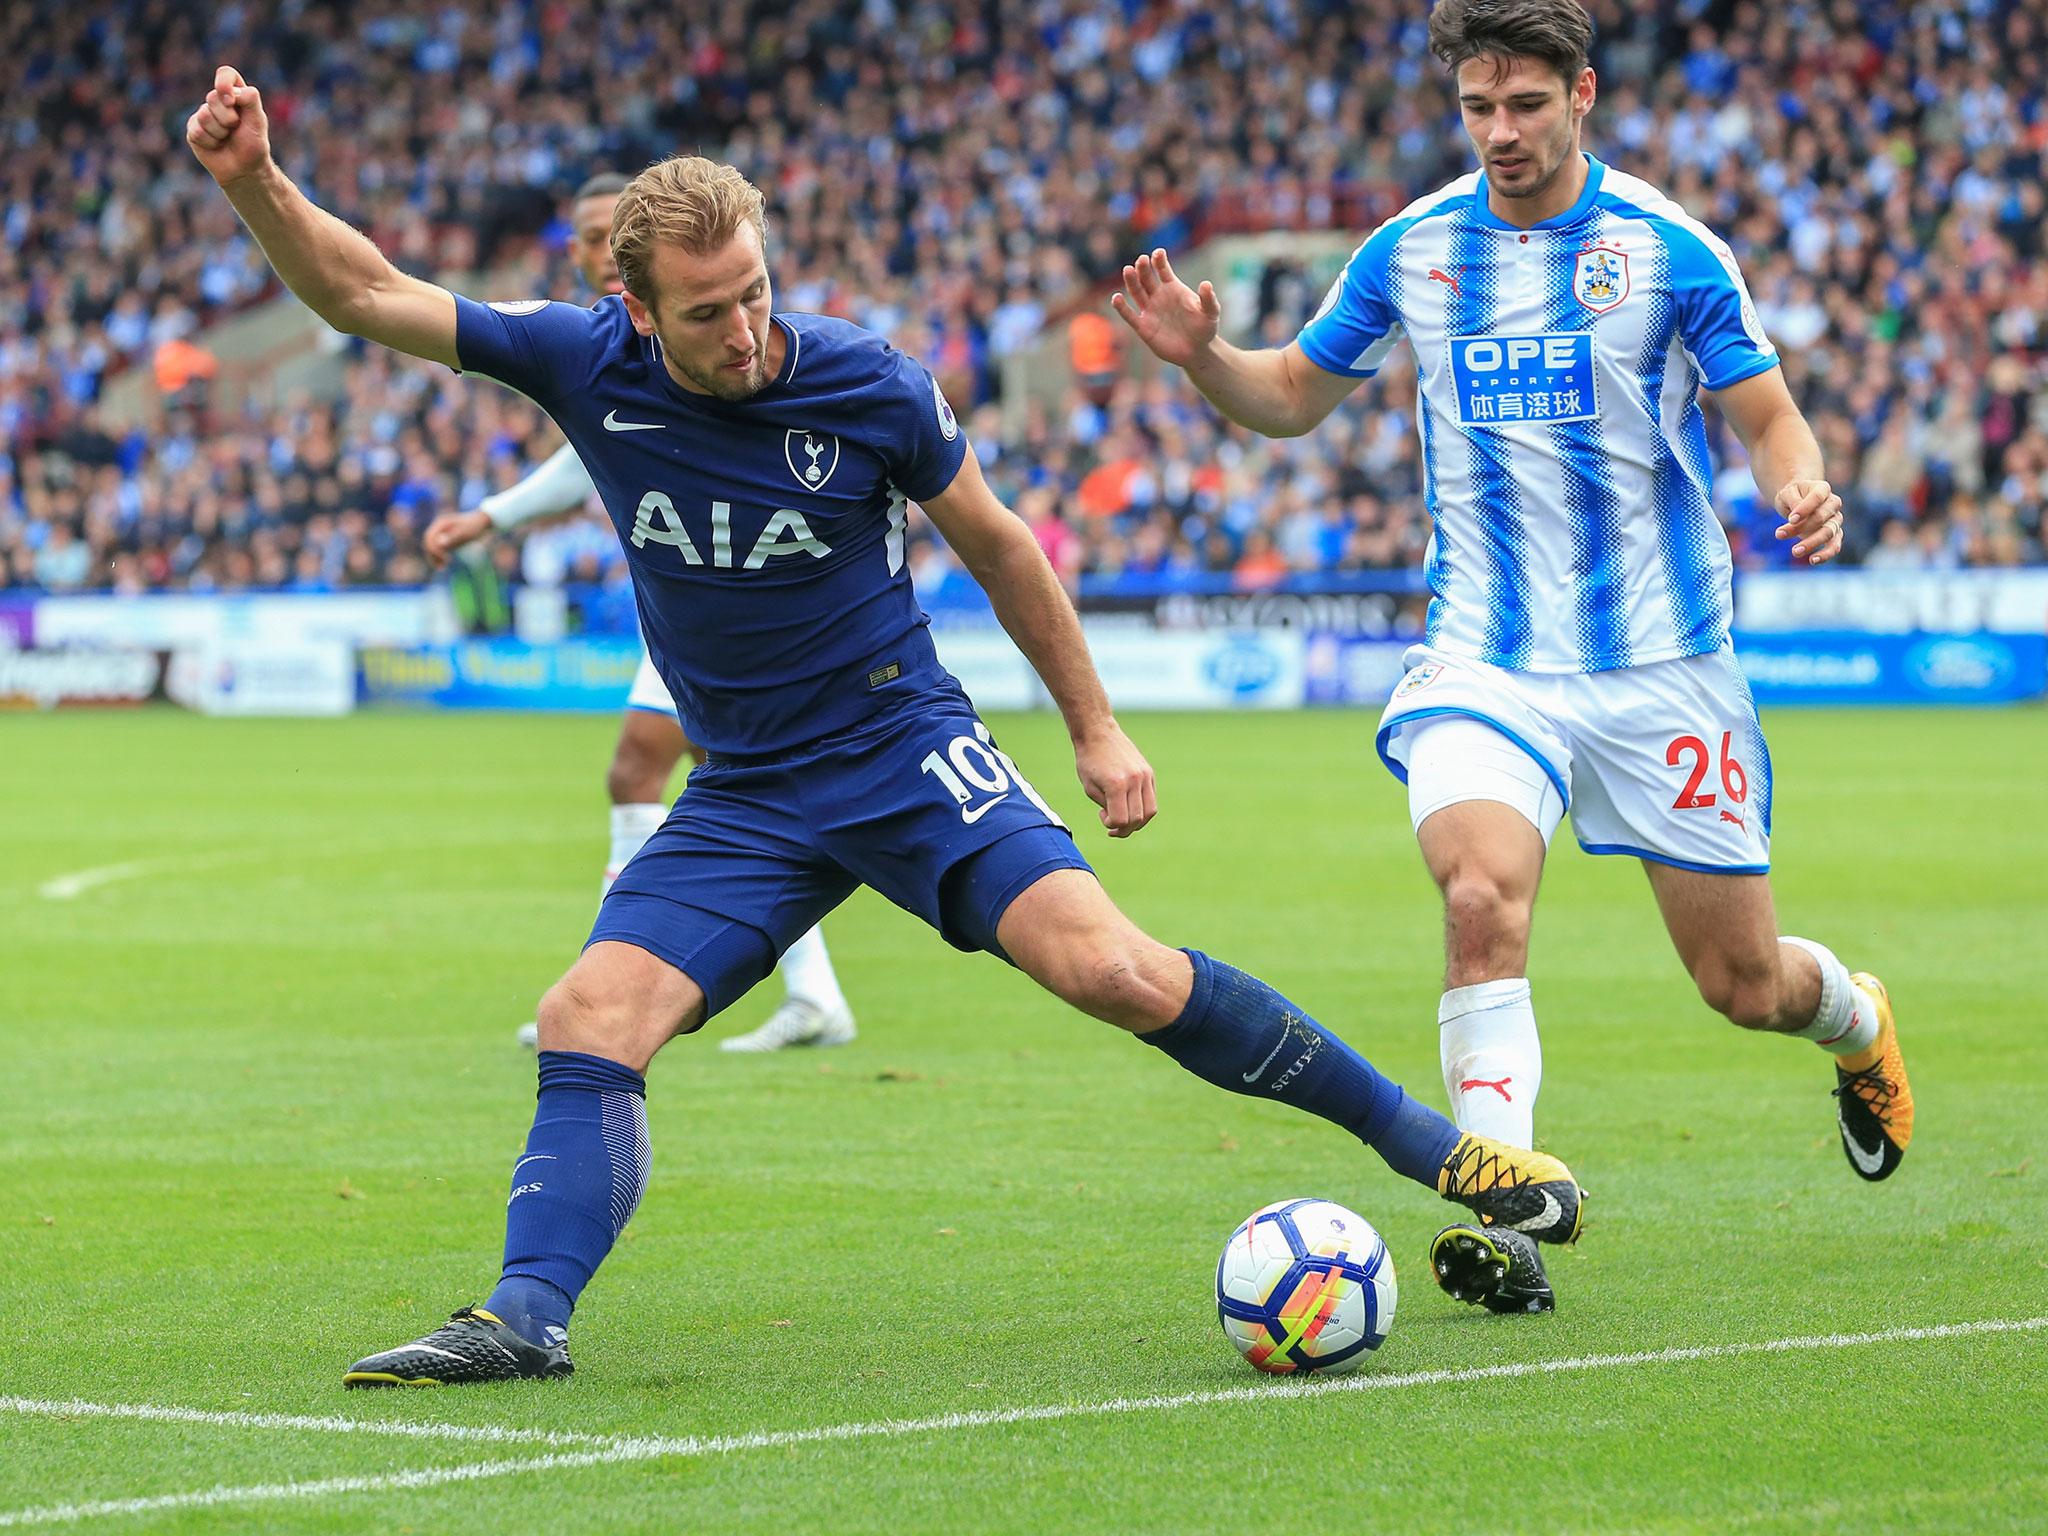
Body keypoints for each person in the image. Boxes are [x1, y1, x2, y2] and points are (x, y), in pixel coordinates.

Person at [186, 64, 1587, 1387]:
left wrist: (1094, 729)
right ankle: (524, 1320)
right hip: (746, 788)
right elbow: (362, 289)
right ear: (634, 308)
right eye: (707, 314)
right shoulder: (579, 363)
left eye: (755, 295)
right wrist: (256, 179)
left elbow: (1003, 545)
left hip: (901, 748)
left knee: (1113, 973)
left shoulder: (864, 383)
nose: (745, 332)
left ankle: (1444, 1153)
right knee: (589, 1015)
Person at [1112, 0, 1911, 1318]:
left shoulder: (1666, 250)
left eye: (1526, 105)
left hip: (1662, 662)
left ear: (1581, 94)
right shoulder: (1412, 250)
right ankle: (1509, 1204)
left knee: (1744, 984)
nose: (1500, 131)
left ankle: (1860, 1025)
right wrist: (1205, 359)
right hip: (1485, 654)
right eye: (1478, 107)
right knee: (1481, 897)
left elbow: (1767, 417)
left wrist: (1805, 485)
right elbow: (1289, 399)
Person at [423, 173, 855, 1055]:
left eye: (599, 234)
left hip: (742, 605)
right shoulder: (611, 343)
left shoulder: (698, 329)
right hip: (695, 606)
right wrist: (496, 515)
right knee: (693, 786)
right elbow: (594, 454)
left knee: (663, 776)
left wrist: (496, 514)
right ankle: (794, 991)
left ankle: (624, 985)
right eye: (580, 237)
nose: (586, 251)